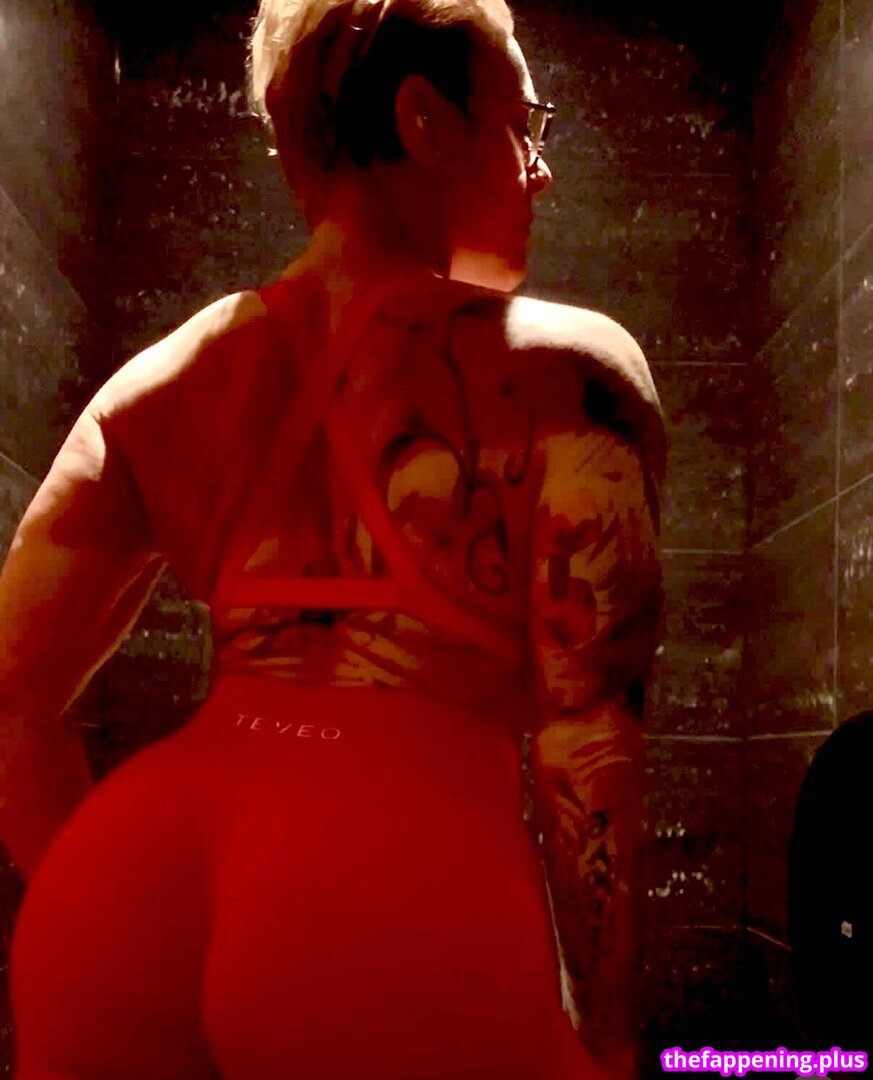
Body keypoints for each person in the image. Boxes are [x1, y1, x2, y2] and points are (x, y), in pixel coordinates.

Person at [0, 0, 665, 1076]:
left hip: (128, 872)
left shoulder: (156, 386)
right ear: (423, 120)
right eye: (525, 126)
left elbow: (10, 704)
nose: (541, 171)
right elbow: (588, 746)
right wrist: (613, 1044)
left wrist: (103, 919)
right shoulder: (570, 371)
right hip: (381, 902)